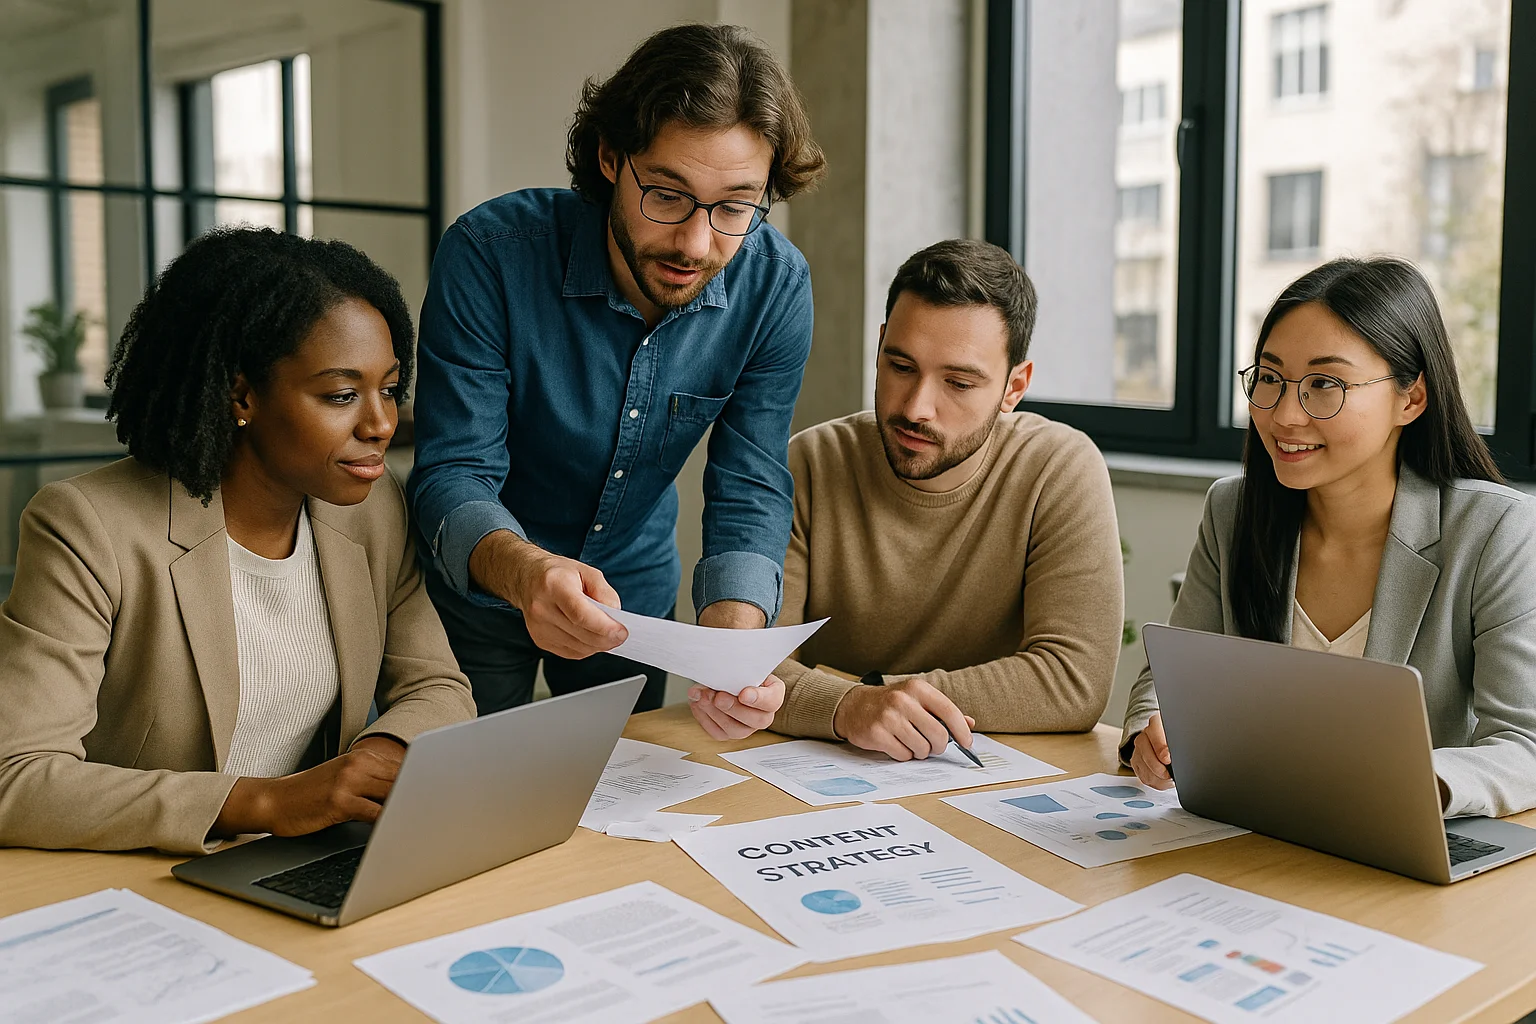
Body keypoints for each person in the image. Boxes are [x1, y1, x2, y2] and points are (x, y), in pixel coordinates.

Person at [0, 228, 475, 854]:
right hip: (141, 874)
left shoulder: (372, 509)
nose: (381, 424)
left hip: (301, 860)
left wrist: (381, 756)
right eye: (340, 395)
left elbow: (436, 686)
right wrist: (268, 803)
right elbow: (17, 776)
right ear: (241, 394)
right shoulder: (88, 526)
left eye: (388, 388)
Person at [407, 23, 827, 720]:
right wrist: (527, 570)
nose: (696, 243)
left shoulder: (775, 286)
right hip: (475, 586)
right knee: (455, 801)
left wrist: (734, 645)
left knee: (613, 803)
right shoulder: (489, 255)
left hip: (636, 599)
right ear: (609, 157)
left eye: (734, 207)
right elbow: (454, 470)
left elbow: (750, 479)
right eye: (667, 193)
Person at [1125, 256, 1536, 819]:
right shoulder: (1234, 510)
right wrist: (1157, 732)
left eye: (1324, 384)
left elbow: (1525, 744)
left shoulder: (1495, 530)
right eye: (1269, 378)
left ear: (1410, 399)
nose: (1285, 414)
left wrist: (1414, 784)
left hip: (1404, 848)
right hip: (1257, 833)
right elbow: (1170, 673)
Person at [688, 239, 1125, 754]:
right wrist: (849, 709)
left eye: (959, 383)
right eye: (900, 367)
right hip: (820, 783)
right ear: (878, 348)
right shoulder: (809, 463)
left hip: (988, 782)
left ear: (1014, 387)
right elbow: (751, 670)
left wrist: (863, 696)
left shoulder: (1059, 468)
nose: (917, 408)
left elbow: (1072, 681)